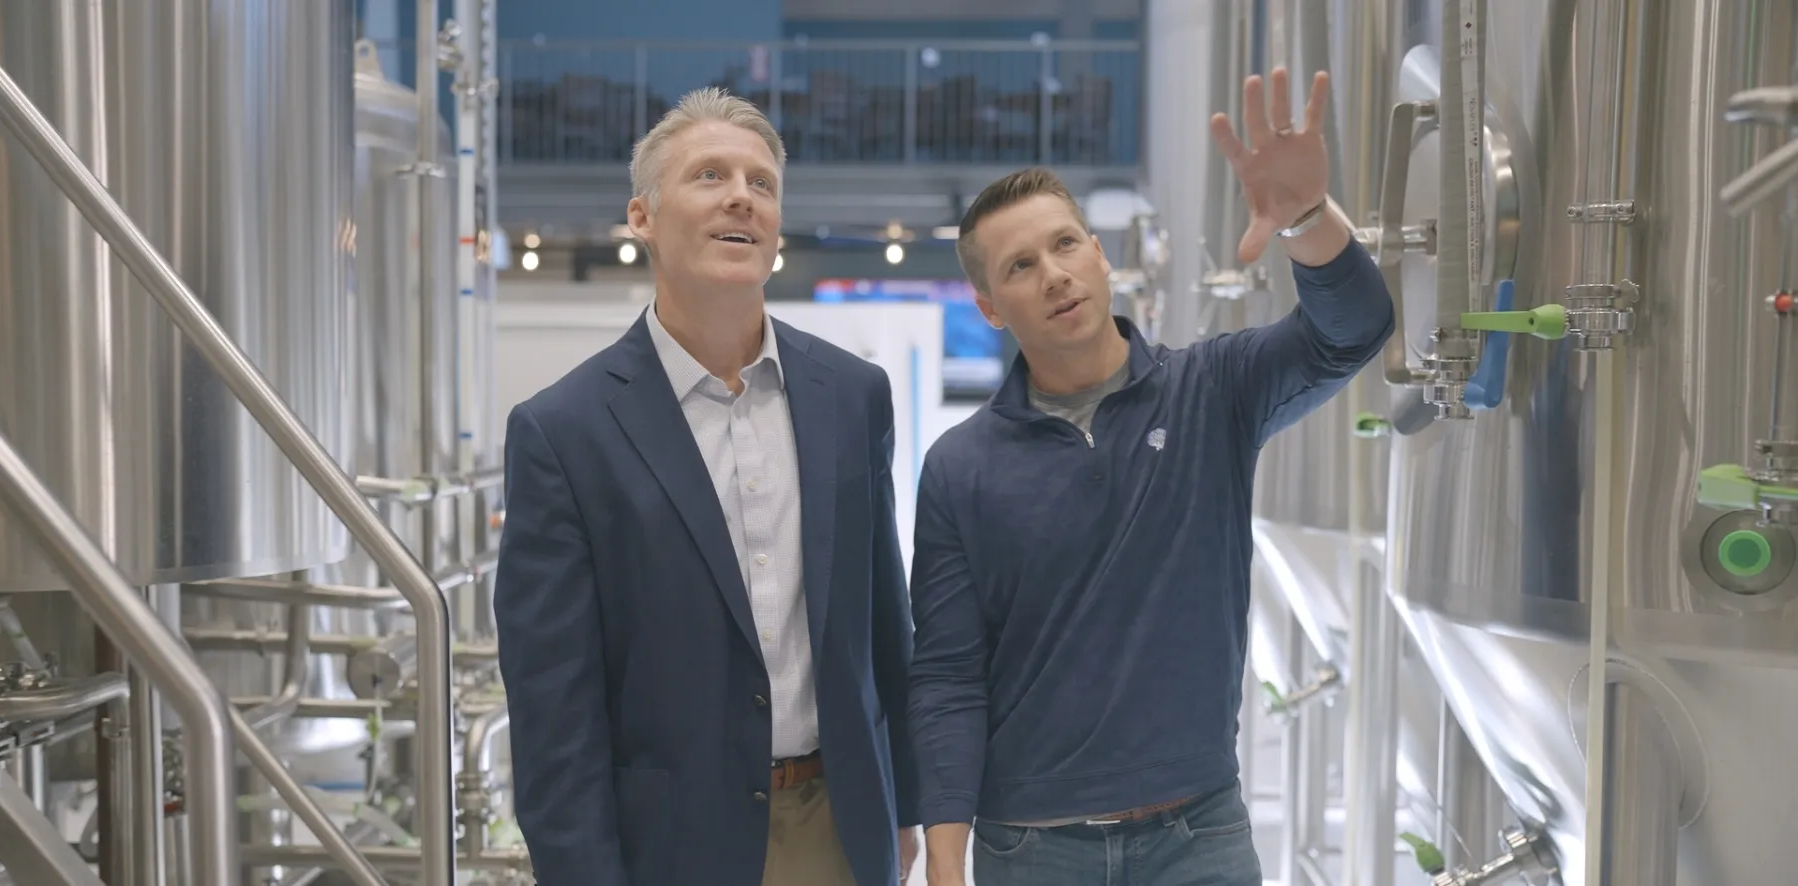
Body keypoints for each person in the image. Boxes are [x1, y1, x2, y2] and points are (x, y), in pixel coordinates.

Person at [908, 67, 1394, 886]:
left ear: (1098, 256)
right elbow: (949, 675)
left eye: (1065, 245)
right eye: (1020, 266)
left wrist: (1308, 220)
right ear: (990, 305)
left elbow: (1350, 331)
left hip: (1198, 836)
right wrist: (946, 867)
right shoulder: (960, 467)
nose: (1054, 273)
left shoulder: (1213, 390)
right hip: (1030, 848)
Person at [494, 86, 921, 886]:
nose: (742, 196)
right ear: (643, 216)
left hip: (842, 824)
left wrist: (908, 810)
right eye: (711, 176)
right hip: (666, 846)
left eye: (762, 183)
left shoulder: (853, 396)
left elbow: (883, 626)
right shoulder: (564, 432)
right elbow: (555, 712)